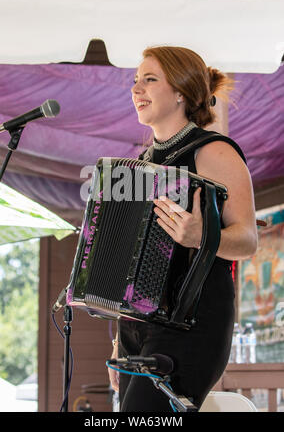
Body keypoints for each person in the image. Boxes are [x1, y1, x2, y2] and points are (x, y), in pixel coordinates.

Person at [108, 46, 258, 412]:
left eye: (150, 79)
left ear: (180, 92)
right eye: (135, 81)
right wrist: (119, 337)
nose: (136, 88)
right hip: (136, 326)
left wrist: (200, 237)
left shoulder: (215, 152)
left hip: (193, 323)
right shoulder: (139, 165)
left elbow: (248, 239)